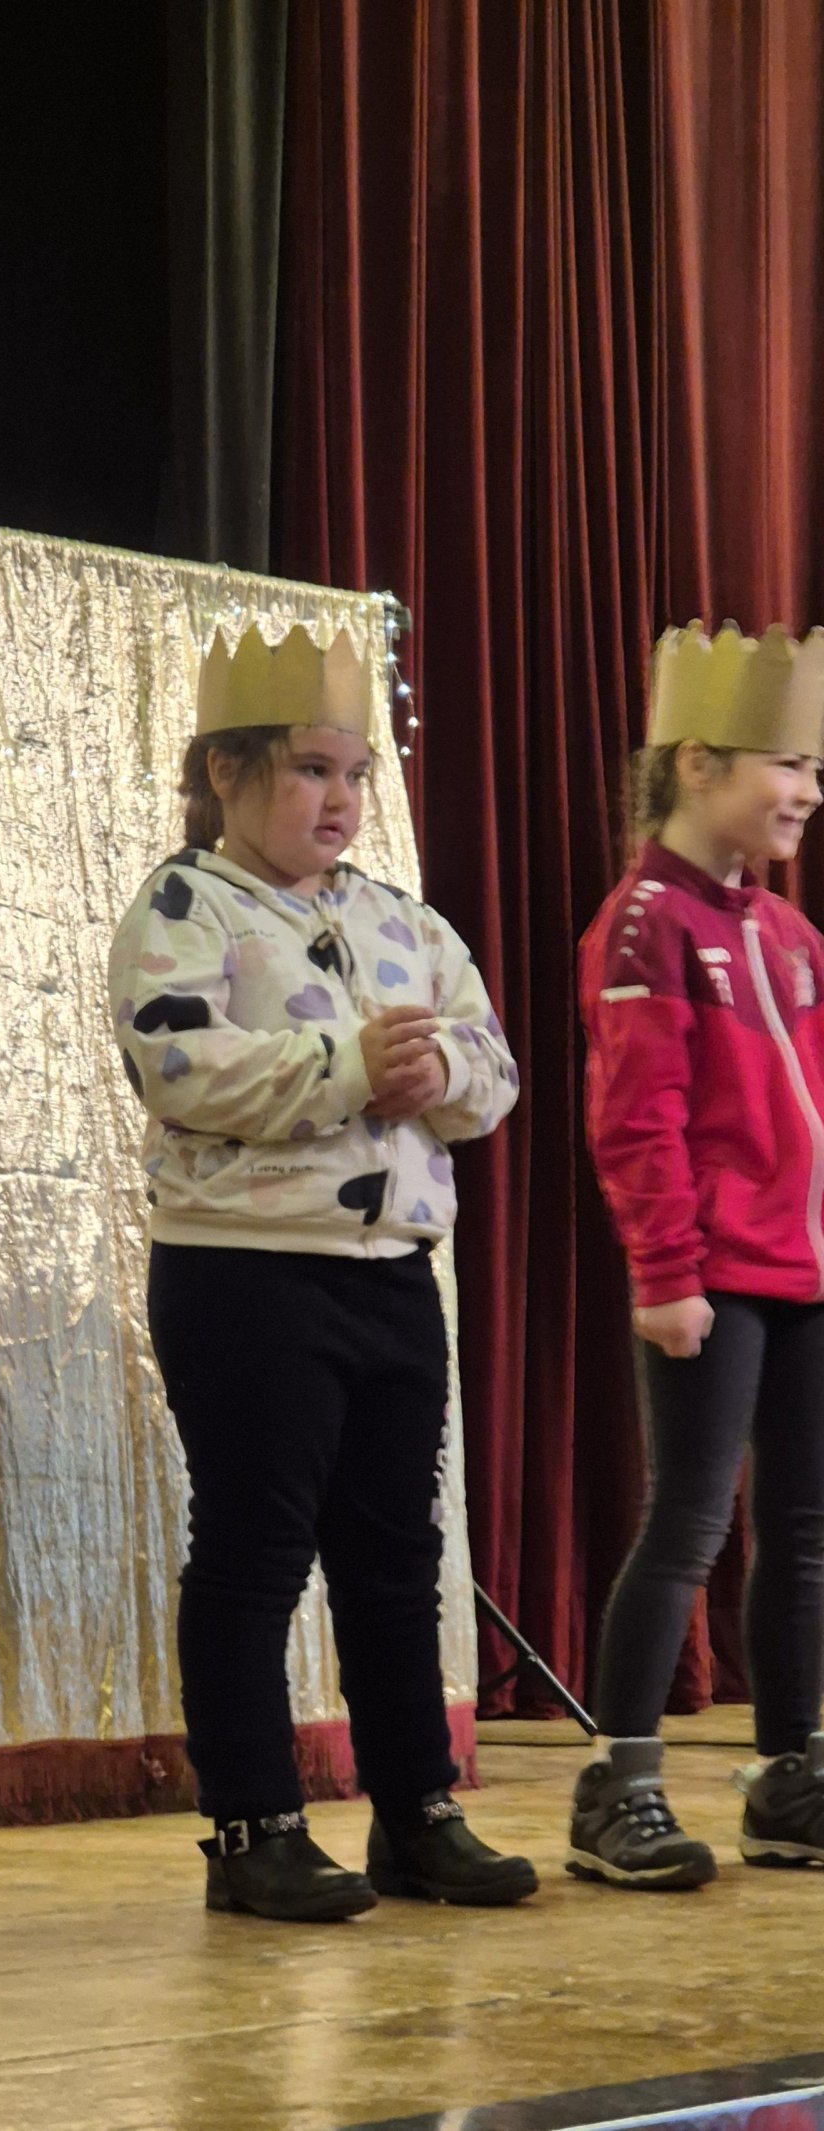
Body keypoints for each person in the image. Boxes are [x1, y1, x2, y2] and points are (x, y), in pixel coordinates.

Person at [108, 621, 536, 1921]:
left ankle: (417, 1812)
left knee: (395, 1553)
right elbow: (180, 1064)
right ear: (226, 771)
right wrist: (351, 1066)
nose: (341, 798)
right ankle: (255, 1823)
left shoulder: (403, 920)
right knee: (255, 1549)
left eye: (356, 772)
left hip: (390, 1276)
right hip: (246, 1276)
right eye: (309, 768)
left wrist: (439, 1069)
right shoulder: (186, 908)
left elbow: (492, 1068)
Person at [573, 618, 824, 1890]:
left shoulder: (789, 934)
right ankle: (617, 1781)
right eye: (788, 763)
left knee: (804, 1529)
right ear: (695, 763)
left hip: (804, 1274)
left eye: (815, 767)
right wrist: (666, 1273)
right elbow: (639, 1115)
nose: (809, 790)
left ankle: (790, 1775)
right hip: (712, 1278)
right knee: (686, 1523)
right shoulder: (645, 925)